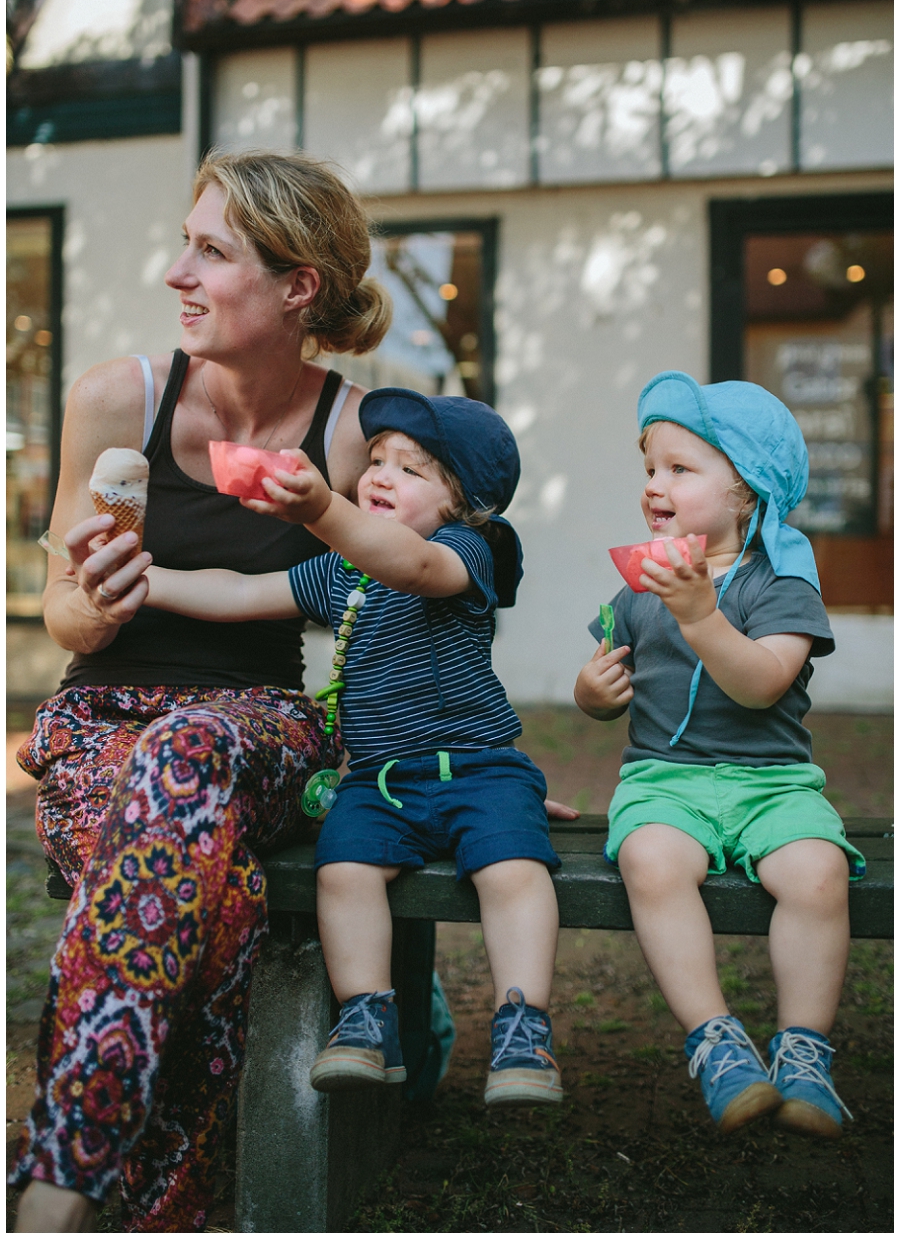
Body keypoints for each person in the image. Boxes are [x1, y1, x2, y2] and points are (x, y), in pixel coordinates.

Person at [11, 150, 394, 1233]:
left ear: (297, 285)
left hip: (253, 724)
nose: (177, 271)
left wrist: (450, 754)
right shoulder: (116, 398)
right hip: (101, 718)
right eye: (184, 242)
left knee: (184, 758)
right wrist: (97, 592)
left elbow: (399, 612)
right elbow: (64, 622)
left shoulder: (357, 434)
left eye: (211, 251)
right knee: (212, 903)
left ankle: (60, 1179)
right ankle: (164, 1202)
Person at [126, 387, 565, 1109]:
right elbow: (239, 592)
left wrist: (323, 511)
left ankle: (522, 1025)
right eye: (378, 461)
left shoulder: (469, 549)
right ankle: (367, 1018)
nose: (381, 476)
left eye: (412, 470)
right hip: (380, 783)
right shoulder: (342, 573)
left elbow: (411, 569)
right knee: (344, 871)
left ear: (464, 504)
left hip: (478, 769)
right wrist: (144, 580)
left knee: (512, 870)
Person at [574, 370, 865, 1140]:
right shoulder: (642, 581)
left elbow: (764, 684)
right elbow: (610, 666)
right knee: (651, 862)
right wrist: (591, 693)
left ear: (745, 492)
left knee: (818, 871)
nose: (655, 485)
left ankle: (804, 1053)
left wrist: (701, 613)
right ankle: (717, 1042)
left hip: (774, 783)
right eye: (649, 469)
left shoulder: (782, 582)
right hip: (664, 783)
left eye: (680, 468)